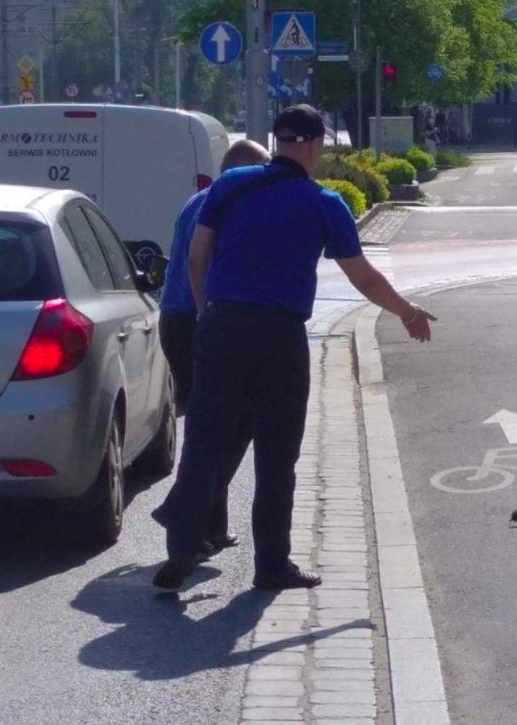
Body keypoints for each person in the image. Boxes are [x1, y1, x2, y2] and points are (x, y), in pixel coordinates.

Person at [153, 104, 436, 591]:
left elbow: (198, 256)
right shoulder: (324, 203)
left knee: (204, 441)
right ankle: (271, 565)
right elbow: (363, 278)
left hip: (221, 324)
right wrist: (407, 312)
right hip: (279, 335)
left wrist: (205, 312)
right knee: (277, 452)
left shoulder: (230, 185)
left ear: (277, 140)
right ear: (315, 144)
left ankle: (181, 555)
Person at [153, 139, 271, 554]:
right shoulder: (227, 206)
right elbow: (200, 264)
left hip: (176, 318)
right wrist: (210, 314)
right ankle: (182, 508)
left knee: (212, 425)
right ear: (243, 173)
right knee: (236, 422)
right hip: (201, 318)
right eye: (263, 170)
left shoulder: (197, 201)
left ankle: (208, 526)